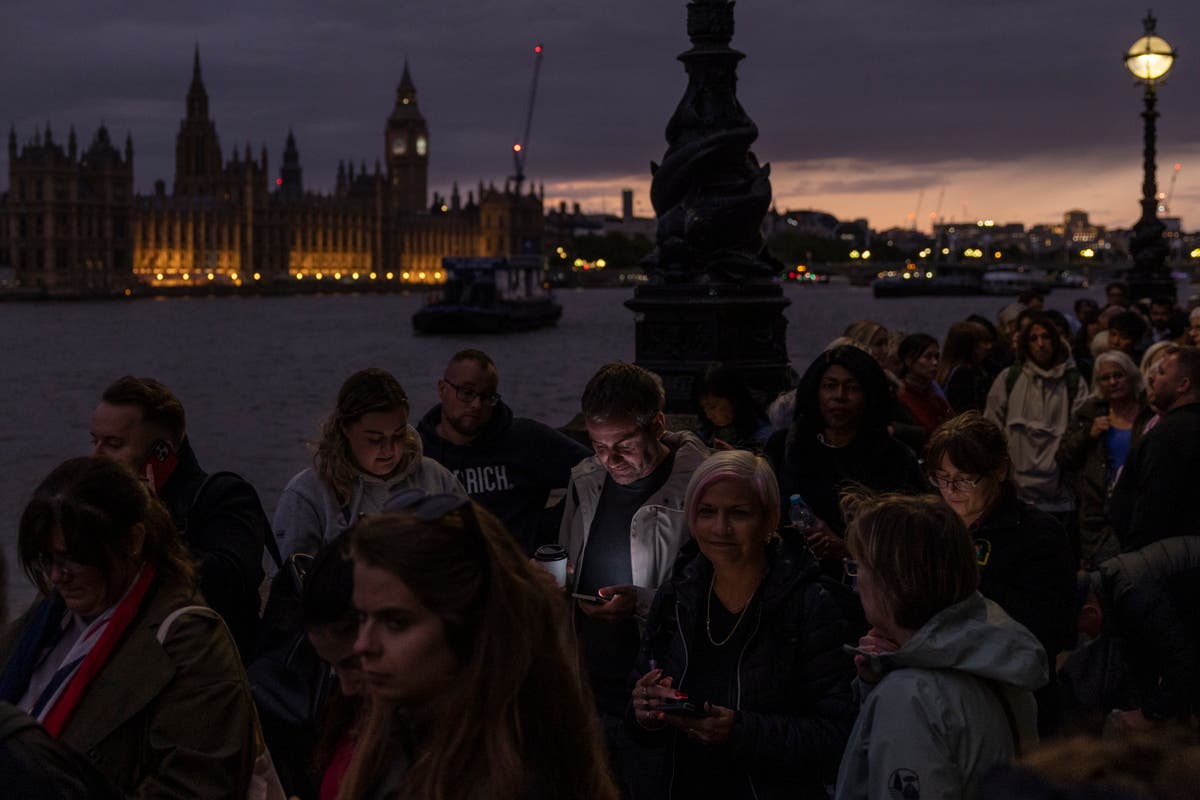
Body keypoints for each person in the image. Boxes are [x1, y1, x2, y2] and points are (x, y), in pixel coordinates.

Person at [0, 457, 258, 796]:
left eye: (73, 558)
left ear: (133, 540)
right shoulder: (45, 620)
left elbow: (196, 785)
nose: (55, 576)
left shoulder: (190, 642)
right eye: (47, 559)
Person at [339, 493, 618, 800]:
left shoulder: (519, 780)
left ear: (471, 627)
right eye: (362, 617)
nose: (363, 644)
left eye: (396, 623)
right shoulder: (398, 737)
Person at [628, 451, 861, 799]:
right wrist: (644, 712)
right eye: (707, 512)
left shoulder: (809, 605)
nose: (720, 528)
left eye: (738, 513)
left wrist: (742, 732)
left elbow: (841, 734)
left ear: (770, 520)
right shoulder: (678, 596)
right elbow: (640, 702)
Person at [556, 361, 709, 794]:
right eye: (598, 445)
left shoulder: (702, 485)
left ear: (658, 425)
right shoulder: (585, 480)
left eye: (623, 444)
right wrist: (558, 581)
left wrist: (640, 602)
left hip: (660, 692)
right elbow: (567, 556)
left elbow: (717, 591)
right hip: (588, 685)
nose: (610, 459)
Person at [834, 493, 1045, 800]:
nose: (857, 582)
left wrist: (892, 689)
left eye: (859, 567)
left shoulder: (911, 697)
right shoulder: (996, 657)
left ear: (892, 581)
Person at [89, 375, 270, 659]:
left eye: (113, 444)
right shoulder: (102, 511)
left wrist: (152, 523)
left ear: (160, 452)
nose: (96, 456)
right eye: (94, 441)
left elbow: (228, 581)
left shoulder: (226, 496)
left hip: (208, 669)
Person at [925, 412, 1074, 733]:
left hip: (1013, 697)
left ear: (1000, 469)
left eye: (964, 478)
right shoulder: (931, 528)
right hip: (943, 695)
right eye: (941, 477)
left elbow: (1049, 628)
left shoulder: (1038, 534)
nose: (951, 489)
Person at [273, 368, 464, 566]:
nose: (389, 449)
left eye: (398, 435)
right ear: (345, 428)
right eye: (375, 439)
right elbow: (293, 584)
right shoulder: (306, 495)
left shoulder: (437, 479)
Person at [417, 349, 590, 555]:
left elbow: (594, 471)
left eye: (487, 396)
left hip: (516, 572)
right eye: (467, 392)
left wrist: (547, 526)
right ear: (442, 389)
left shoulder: (525, 439)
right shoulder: (418, 451)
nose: (476, 404)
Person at [765, 345, 925, 557]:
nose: (839, 396)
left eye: (852, 388)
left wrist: (846, 548)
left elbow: (912, 535)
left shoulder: (895, 458)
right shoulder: (784, 446)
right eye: (830, 386)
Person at [984, 311, 1089, 518]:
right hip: (1017, 493)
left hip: (1060, 495)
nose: (1040, 344)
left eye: (1046, 337)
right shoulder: (1009, 379)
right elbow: (991, 428)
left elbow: (1081, 434)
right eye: (1033, 338)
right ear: (1025, 344)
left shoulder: (1074, 382)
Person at [1056, 352, 1148, 567]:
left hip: (1139, 507)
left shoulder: (1149, 410)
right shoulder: (1090, 412)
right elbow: (1063, 457)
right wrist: (1089, 434)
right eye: (1106, 378)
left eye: (1119, 375)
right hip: (1099, 513)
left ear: (1131, 375)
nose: (1113, 382)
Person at [1109, 346, 1200, 550]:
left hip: (1160, 558)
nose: (1151, 379)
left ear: (1183, 385)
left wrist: (1135, 554)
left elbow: (1152, 507)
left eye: (1161, 372)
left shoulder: (1167, 435)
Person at [690, 363, 772, 451]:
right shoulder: (704, 434)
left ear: (733, 399)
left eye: (713, 407)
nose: (709, 415)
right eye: (704, 408)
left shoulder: (762, 435)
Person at [895, 332, 954, 441]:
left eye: (937, 357)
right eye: (928, 357)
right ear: (908, 361)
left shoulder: (935, 398)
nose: (935, 362)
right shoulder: (899, 397)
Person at [940, 320, 993, 414]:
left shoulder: (946, 371)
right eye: (982, 342)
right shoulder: (963, 375)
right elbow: (967, 411)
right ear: (969, 347)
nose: (988, 347)